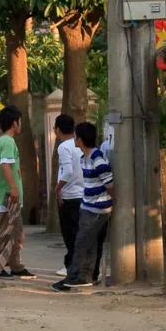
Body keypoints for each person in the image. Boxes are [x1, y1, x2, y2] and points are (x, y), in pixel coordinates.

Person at [53, 121, 111, 292]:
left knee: (81, 242)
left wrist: (111, 199)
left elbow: (109, 181)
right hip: (87, 205)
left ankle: (74, 276)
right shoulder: (83, 158)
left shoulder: (97, 158)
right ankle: (86, 275)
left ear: (81, 139)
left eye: (77, 137)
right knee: (89, 243)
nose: (74, 139)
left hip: (97, 208)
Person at [0, 106, 32, 278]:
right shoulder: (7, 142)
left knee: (16, 232)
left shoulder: (2, 140)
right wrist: (13, 187)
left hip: (9, 196)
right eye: (19, 121)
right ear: (14, 123)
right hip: (7, 196)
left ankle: (16, 265)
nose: (21, 125)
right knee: (5, 231)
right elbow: (5, 164)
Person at [51, 113, 83, 277]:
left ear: (57, 130)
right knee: (79, 232)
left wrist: (57, 189)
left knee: (70, 233)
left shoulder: (64, 147)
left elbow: (68, 171)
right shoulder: (79, 144)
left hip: (69, 196)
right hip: (82, 194)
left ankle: (71, 265)